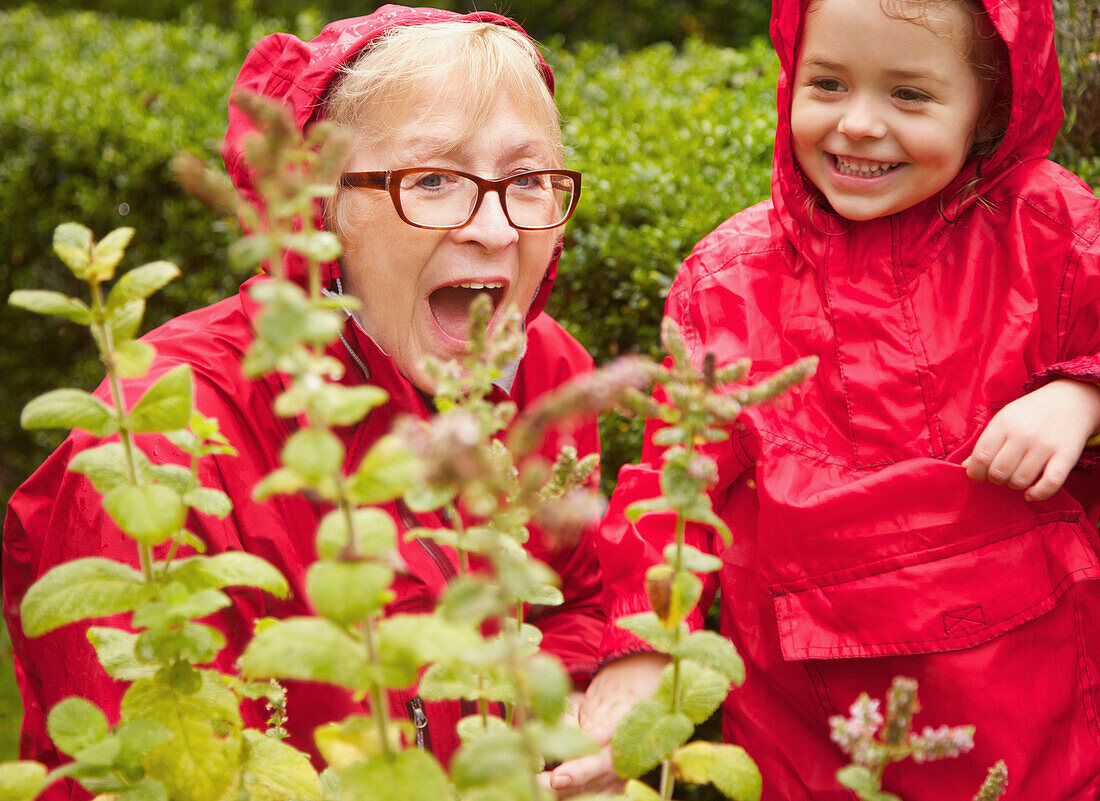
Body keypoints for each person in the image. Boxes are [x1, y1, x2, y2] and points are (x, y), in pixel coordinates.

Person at [3, 6, 604, 796]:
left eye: (527, 180)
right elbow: (149, 758)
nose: (494, 226)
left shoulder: (546, 374)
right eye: (432, 179)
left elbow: (580, 593)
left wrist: (565, 723)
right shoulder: (158, 442)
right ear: (322, 206)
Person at [548, 0, 1100, 799]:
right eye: (828, 83)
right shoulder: (729, 283)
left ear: (991, 109)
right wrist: (644, 654)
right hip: (806, 740)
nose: (859, 124)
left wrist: (1080, 392)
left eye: (909, 96)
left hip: (1049, 726)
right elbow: (672, 490)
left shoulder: (1058, 236)